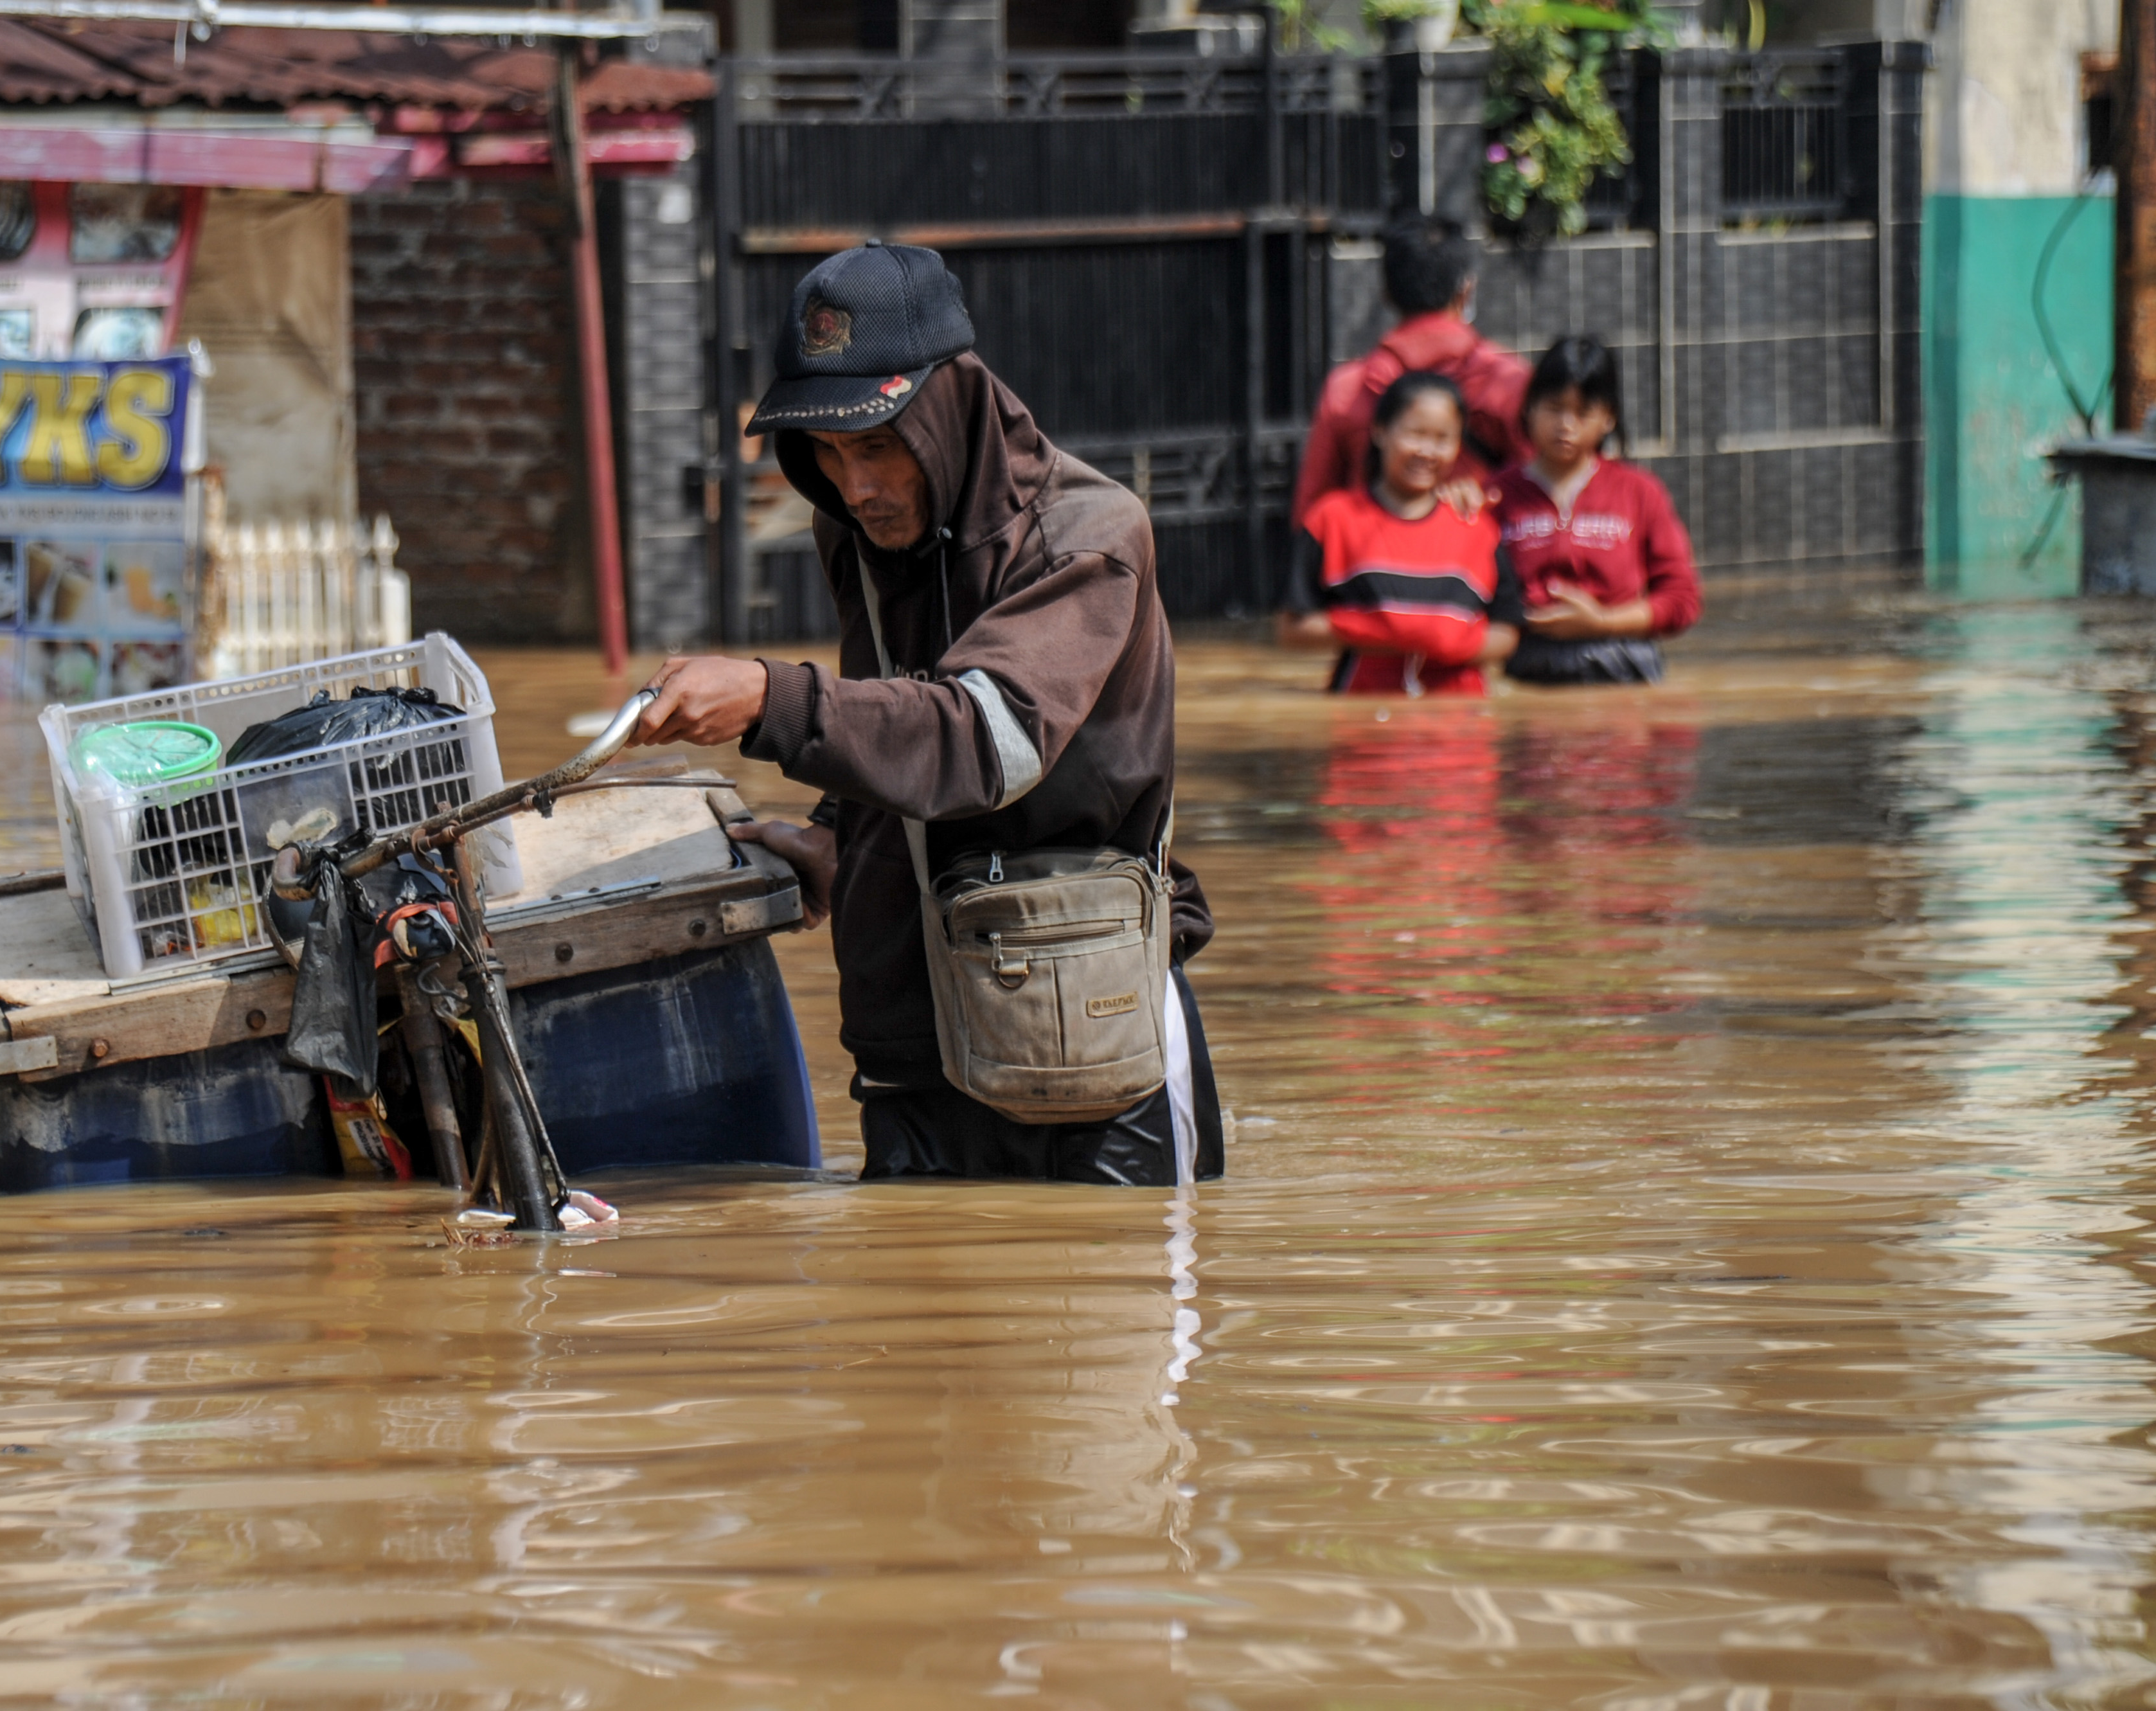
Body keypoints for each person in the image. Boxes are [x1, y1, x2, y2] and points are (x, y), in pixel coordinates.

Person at [623, 241, 1225, 1187]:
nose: (855, 485)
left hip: (1088, 1041)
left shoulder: (1089, 538)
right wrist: (841, 838)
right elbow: (893, 699)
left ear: (950, 409)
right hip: (911, 1042)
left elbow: (986, 740)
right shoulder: (855, 533)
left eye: (875, 445)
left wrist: (768, 697)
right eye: (824, 451)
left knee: (1117, 1304)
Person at [1279, 371, 1522, 695]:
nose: (1427, 451)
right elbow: (1291, 629)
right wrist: (1379, 630)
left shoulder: (1478, 528)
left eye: (1442, 439)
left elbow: (1507, 633)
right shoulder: (1333, 519)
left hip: (1461, 726)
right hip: (1363, 719)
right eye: (1416, 434)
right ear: (1380, 432)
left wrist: (1448, 640)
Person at [1291, 215, 1533, 522]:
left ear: (1387, 294)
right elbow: (1542, 498)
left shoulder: (1348, 389)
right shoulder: (1510, 382)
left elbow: (1312, 514)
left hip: (1374, 561)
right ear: (1467, 290)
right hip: (1479, 561)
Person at [1498, 335, 1702, 685]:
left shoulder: (1641, 492)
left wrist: (1602, 622)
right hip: (1526, 665)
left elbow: (1681, 599)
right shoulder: (1494, 495)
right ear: (1529, 408)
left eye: (1583, 412)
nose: (1566, 425)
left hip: (1621, 662)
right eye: (1554, 407)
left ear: (1608, 418)